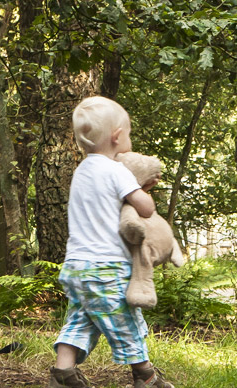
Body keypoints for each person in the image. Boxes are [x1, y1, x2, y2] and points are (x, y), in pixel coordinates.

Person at [46, 96, 173, 388]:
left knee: (80, 320)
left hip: (76, 266)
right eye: (128, 133)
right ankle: (147, 376)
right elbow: (145, 208)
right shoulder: (117, 170)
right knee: (127, 322)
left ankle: (63, 374)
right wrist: (143, 190)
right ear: (117, 137)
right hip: (106, 267)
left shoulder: (81, 172)